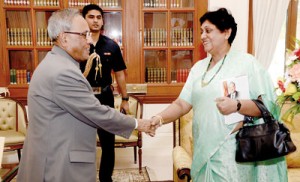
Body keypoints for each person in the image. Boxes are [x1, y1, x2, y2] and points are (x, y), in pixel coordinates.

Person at [16, 8, 154, 182]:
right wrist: (138, 123)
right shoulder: (63, 72)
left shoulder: (56, 63)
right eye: (84, 34)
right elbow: (96, 112)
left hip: (52, 157)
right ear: (64, 38)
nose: (89, 40)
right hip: (58, 166)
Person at [151, 8, 287, 182]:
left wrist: (237, 105)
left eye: (208, 31)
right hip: (203, 151)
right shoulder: (198, 68)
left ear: (227, 32)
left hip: (232, 155)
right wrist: (158, 119)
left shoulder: (247, 63)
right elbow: (181, 104)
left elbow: (268, 105)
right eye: (201, 31)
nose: (202, 36)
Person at [80, 4, 128, 182]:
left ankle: (105, 179)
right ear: (84, 19)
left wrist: (125, 99)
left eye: (99, 17)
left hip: (105, 97)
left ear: (102, 20)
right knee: (83, 144)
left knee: (108, 144)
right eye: (91, 17)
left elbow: (120, 74)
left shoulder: (111, 45)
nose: (95, 20)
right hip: (82, 99)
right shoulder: (78, 44)